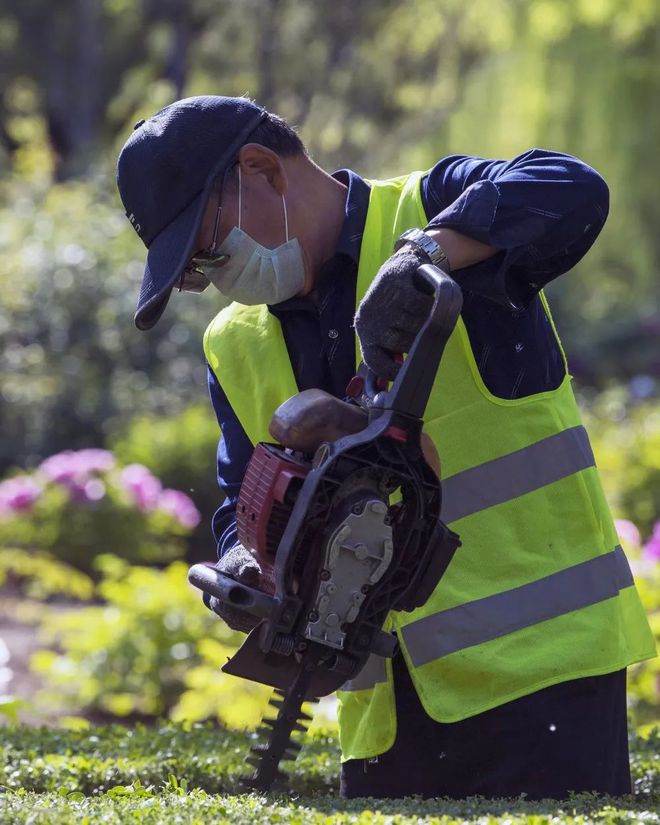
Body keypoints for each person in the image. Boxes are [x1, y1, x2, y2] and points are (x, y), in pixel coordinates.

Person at [117, 95, 656, 800]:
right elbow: (239, 495)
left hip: (544, 677)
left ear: (261, 170)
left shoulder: (433, 210)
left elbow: (573, 187)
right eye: (194, 272)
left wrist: (430, 253)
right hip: (384, 712)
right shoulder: (234, 342)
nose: (214, 278)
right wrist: (247, 561)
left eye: (207, 249)